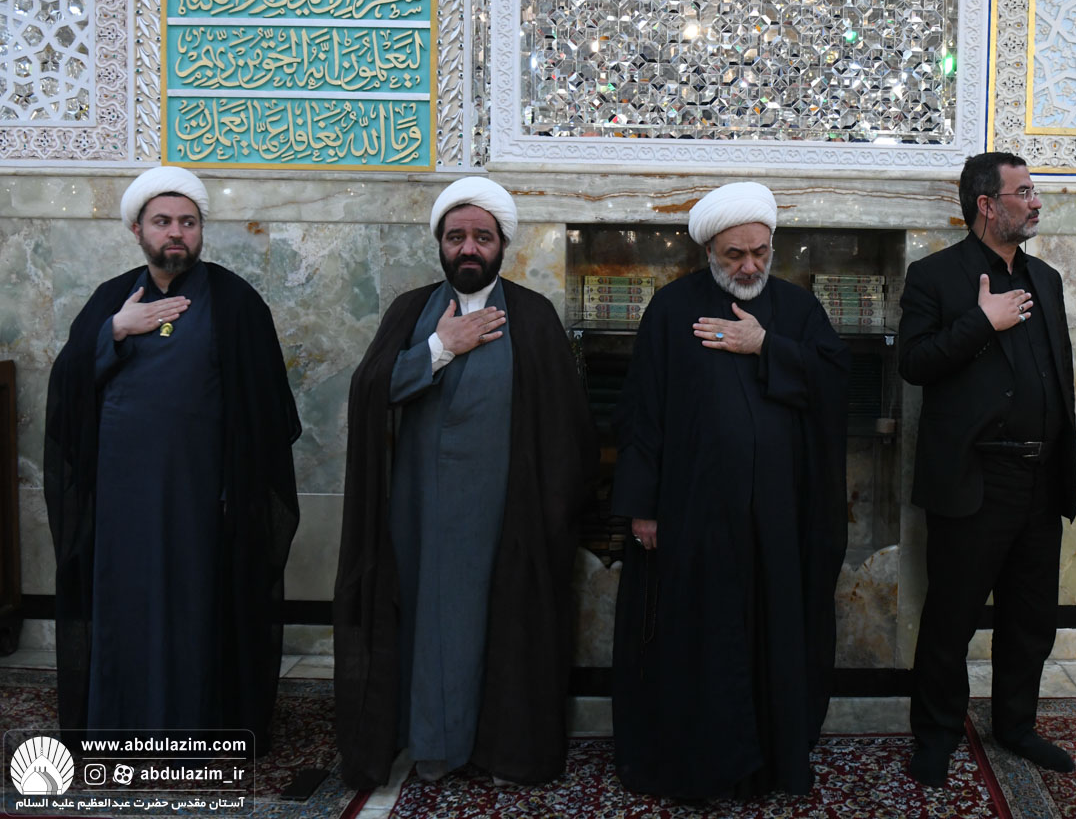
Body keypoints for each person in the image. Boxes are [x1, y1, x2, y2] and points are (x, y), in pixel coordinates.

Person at [334, 176, 598, 789]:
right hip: (421, 512)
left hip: (509, 512)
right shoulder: (412, 311)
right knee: (433, 627)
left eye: (482, 236)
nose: (469, 248)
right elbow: (372, 391)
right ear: (441, 244)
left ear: (502, 244)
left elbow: (566, 422)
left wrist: (556, 506)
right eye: (457, 237)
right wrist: (439, 346)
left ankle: (504, 747)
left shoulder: (532, 315)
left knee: (506, 627)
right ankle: (436, 743)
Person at [44, 166, 301, 746]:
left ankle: (194, 732)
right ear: (137, 229)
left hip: (200, 500)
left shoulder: (235, 301)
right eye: (162, 222)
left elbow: (269, 407)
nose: (176, 233)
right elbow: (66, 387)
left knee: (194, 612)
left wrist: (236, 485)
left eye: (188, 222)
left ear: (200, 230)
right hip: (121, 503)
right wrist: (114, 330)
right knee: (126, 611)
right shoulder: (111, 298)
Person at [611, 181, 851, 798]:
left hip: (779, 520)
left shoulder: (797, 309)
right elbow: (642, 412)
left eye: (760, 253)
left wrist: (766, 345)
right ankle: (702, 768)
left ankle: (771, 762)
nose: (749, 266)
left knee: (772, 637)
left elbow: (834, 385)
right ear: (709, 252)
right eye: (734, 255)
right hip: (694, 517)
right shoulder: (672, 309)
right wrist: (642, 507)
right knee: (702, 640)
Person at [900, 152, 1076, 785]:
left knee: (1031, 619)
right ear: (986, 204)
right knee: (951, 619)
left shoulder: (1045, 278)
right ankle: (936, 734)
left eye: (1034, 191)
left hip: (1041, 478)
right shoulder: (934, 276)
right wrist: (982, 321)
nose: (1036, 202)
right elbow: (914, 364)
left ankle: (1016, 726)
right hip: (975, 479)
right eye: (1023, 192)